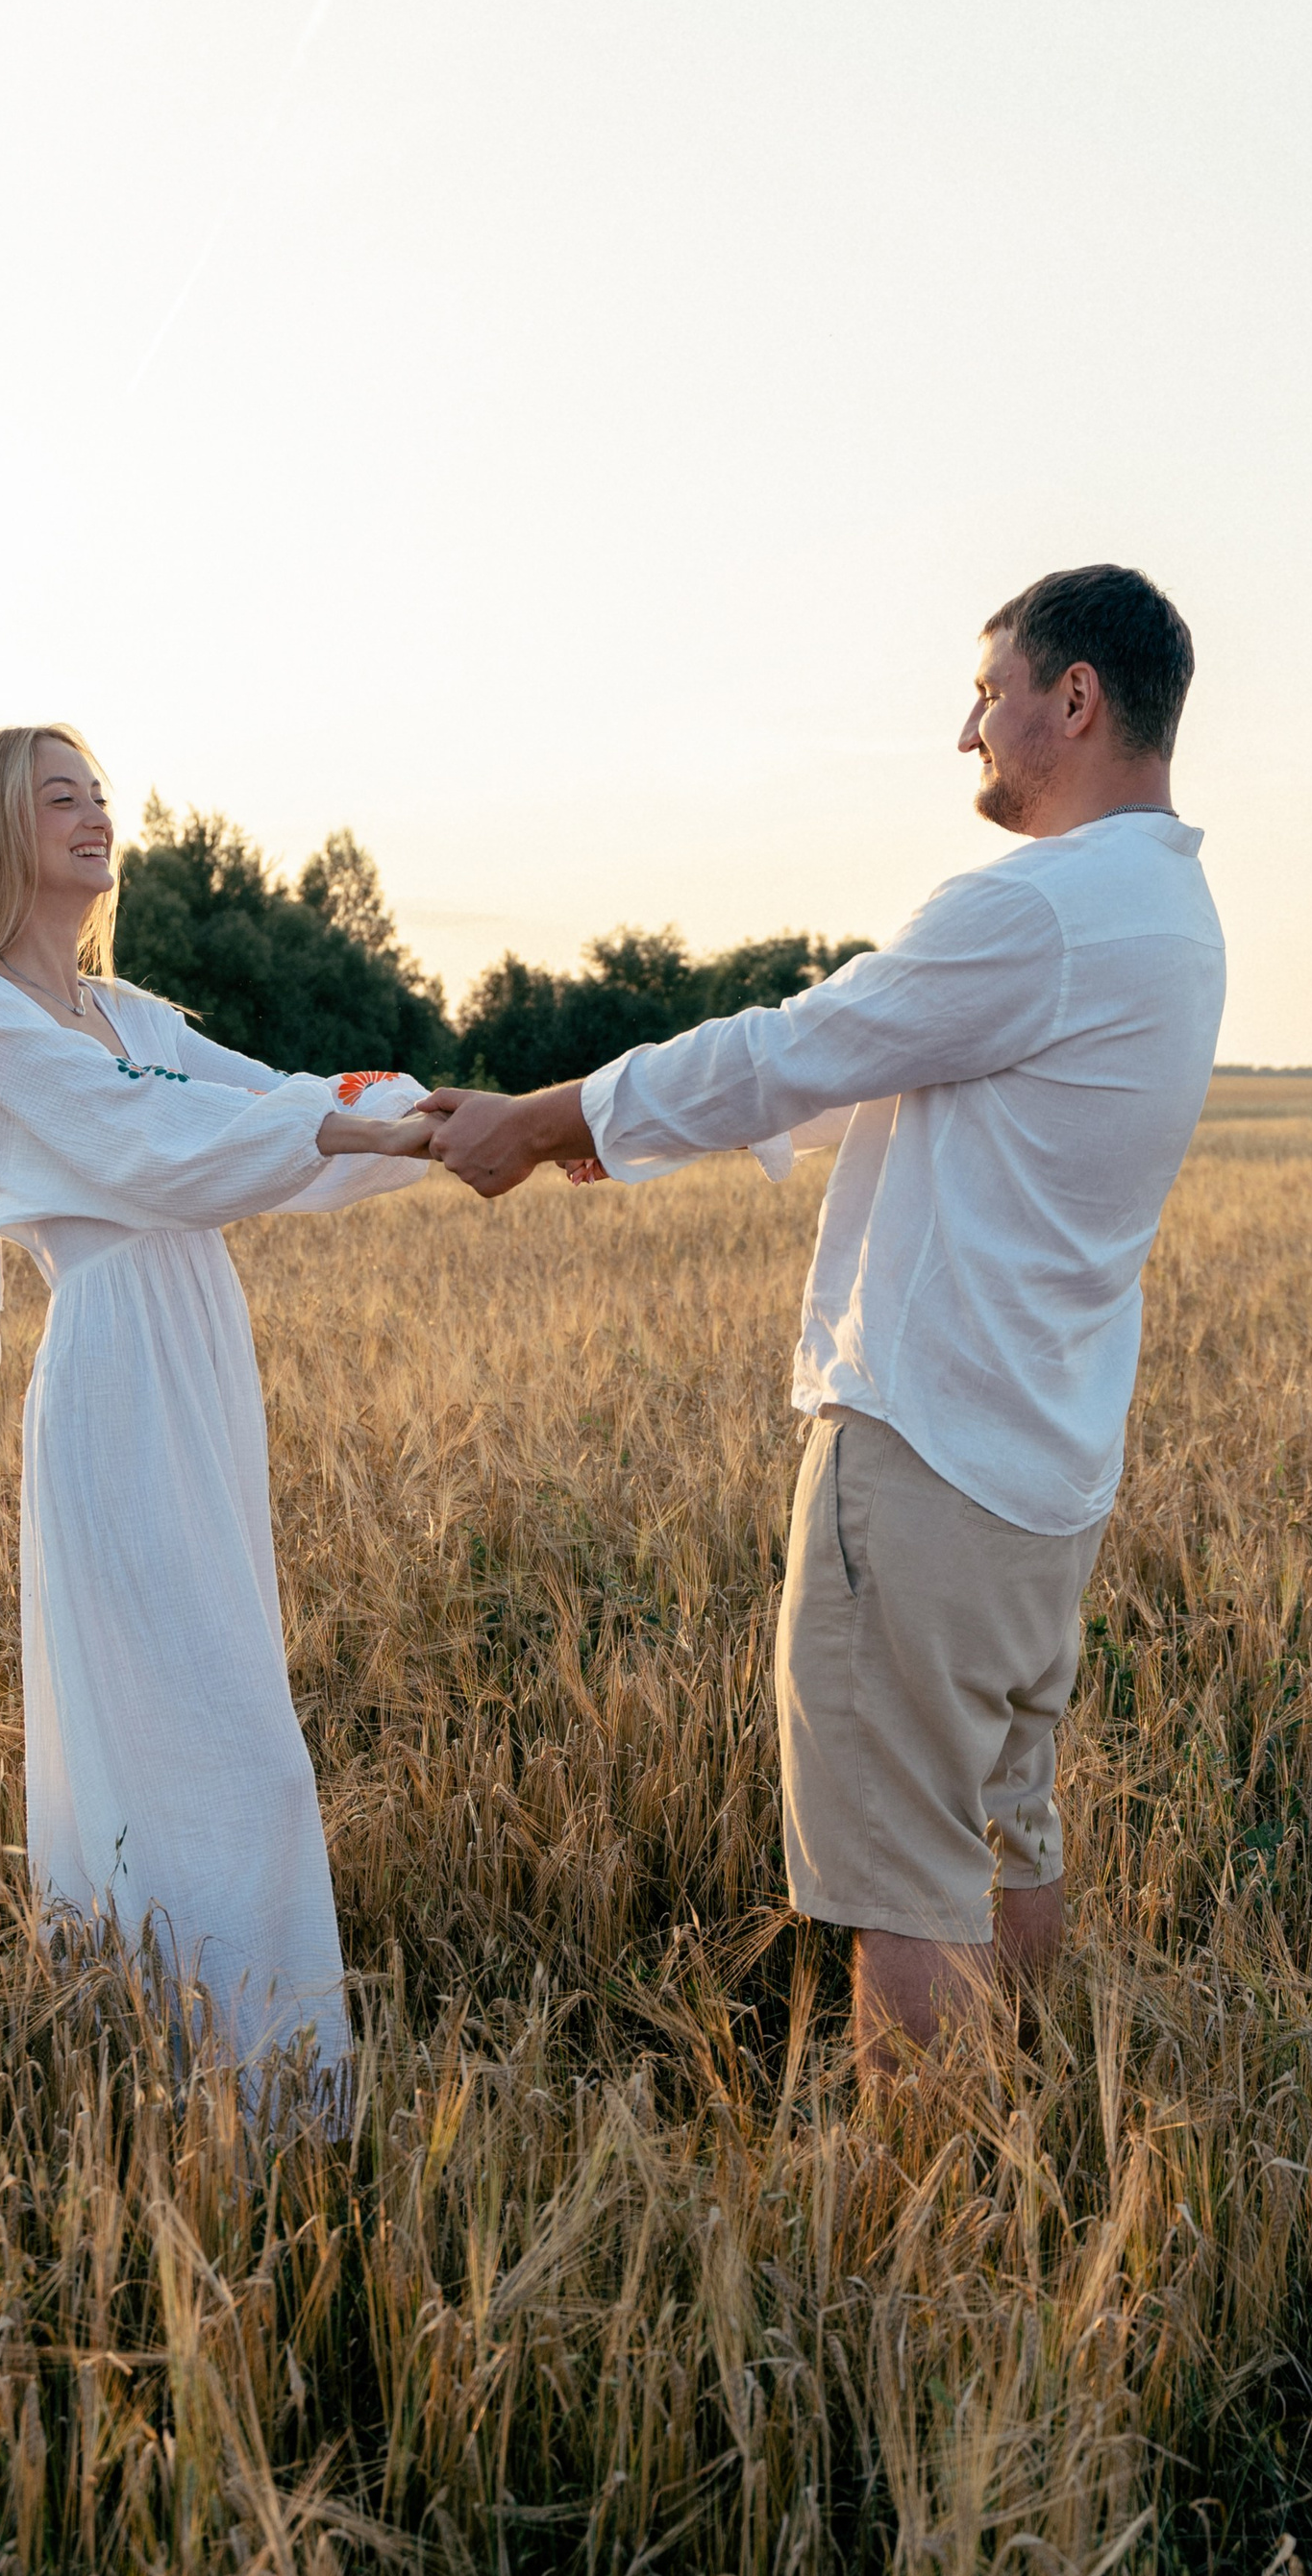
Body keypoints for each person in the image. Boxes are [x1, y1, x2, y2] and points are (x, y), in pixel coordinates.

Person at [421, 565, 1226, 2072]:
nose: (969, 729)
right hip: (1044, 1462)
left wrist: (540, 1121)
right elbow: (877, 1062)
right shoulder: (1172, 913)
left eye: (989, 689)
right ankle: (1023, 2140)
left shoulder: (1040, 908)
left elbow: (801, 1044)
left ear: (1076, 698)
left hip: (923, 1446)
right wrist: (607, 1129)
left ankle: (921, 2235)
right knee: (1004, 1819)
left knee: (902, 1869)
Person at [0, 724, 434, 2073]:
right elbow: (152, 1145)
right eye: (59, 798)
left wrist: (439, 1120)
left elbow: (273, 1116)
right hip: (116, 1366)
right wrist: (342, 1119)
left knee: (228, 1690)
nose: (97, 816)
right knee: (203, 1728)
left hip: (200, 1355)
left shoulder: (135, 1015)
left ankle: (244, 2077)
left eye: (101, 795)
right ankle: (210, 2069)